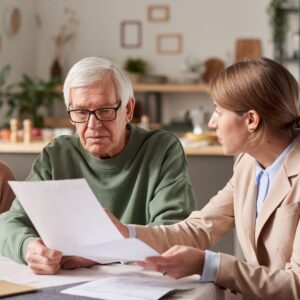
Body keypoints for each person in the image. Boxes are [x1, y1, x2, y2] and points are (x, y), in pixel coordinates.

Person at [109, 58, 300, 299]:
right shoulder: (248, 164)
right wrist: (126, 234)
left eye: (219, 112)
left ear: (251, 120)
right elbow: (199, 228)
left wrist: (210, 265)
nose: (211, 123)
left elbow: (296, 284)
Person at [0, 57, 197, 274]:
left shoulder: (162, 149)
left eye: (104, 110)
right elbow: (8, 223)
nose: (93, 125)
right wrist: (28, 248)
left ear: (128, 109)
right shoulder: (57, 154)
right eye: (81, 113)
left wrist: (99, 253)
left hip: (141, 283)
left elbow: (175, 233)